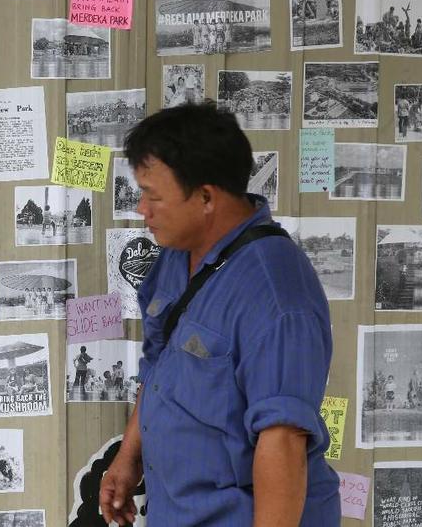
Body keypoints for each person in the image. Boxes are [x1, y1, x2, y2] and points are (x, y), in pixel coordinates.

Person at [99, 103, 339, 526]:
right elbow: (158, 363)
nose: (142, 209)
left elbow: (283, 441)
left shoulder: (278, 295)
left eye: (154, 196)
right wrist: (127, 457)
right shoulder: (176, 257)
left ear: (207, 197)